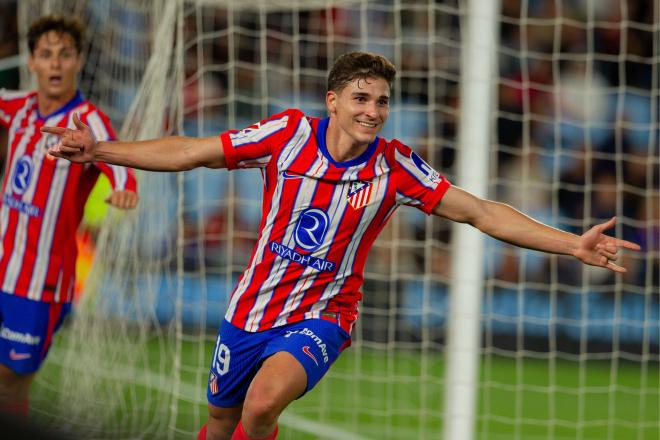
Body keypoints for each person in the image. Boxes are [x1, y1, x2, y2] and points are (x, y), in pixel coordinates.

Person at [43, 51, 640, 440]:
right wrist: (99, 151)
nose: (373, 110)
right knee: (221, 421)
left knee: (261, 405)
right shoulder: (287, 134)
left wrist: (571, 244)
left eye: (381, 100)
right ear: (333, 101)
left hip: (325, 314)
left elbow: (479, 211)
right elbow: (191, 150)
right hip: (251, 309)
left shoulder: (396, 167)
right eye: (361, 98)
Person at [0, 15, 138, 419]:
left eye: (65, 54)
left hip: (42, 283)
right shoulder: (20, 108)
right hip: (2, 267)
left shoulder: (87, 121)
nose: (56, 64)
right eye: (46, 55)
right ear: (31, 63)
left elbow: (117, 157)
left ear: (79, 61)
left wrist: (125, 186)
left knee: (10, 384)